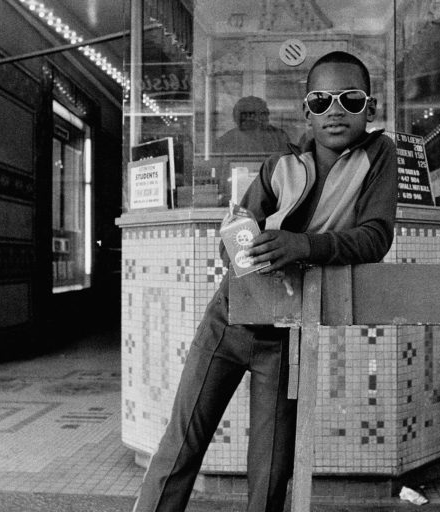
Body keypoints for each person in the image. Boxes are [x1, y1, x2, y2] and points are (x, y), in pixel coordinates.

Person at [133, 50, 398, 512]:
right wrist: (242, 243)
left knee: (271, 471)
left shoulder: (380, 156)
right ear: (305, 112)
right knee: (180, 445)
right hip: (230, 320)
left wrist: (301, 246)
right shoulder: (278, 166)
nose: (334, 110)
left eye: (350, 99)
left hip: (286, 335)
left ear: (370, 109)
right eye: (321, 101)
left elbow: (375, 238)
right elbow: (236, 236)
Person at [213, 95, 291, 154]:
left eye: (265, 113)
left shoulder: (279, 137)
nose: (266, 117)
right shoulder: (225, 142)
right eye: (245, 115)